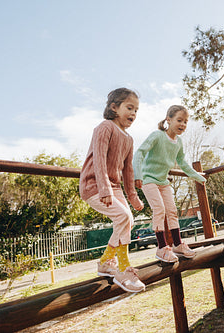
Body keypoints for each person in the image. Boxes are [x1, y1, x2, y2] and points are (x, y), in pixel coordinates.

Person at [79, 88, 145, 293]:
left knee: (128, 219)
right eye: (129, 108)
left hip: (114, 187)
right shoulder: (104, 127)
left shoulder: (129, 139)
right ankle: (123, 267)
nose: (133, 113)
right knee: (123, 216)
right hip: (94, 185)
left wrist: (133, 196)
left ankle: (107, 261)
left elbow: (128, 170)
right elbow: (98, 158)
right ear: (114, 107)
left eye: (136, 110)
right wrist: (104, 188)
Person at [133, 105, 206, 263]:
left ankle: (178, 244)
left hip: (163, 181)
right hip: (148, 179)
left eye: (185, 122)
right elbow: (139, 153)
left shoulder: (178, 142)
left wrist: (197, 176)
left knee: (172, 211)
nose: (183, 124)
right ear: (168, 120)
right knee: (159, 209)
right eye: (179, 120)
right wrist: (137, 175)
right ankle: (161, 248)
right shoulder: (157, 136)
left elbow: (182, 163)